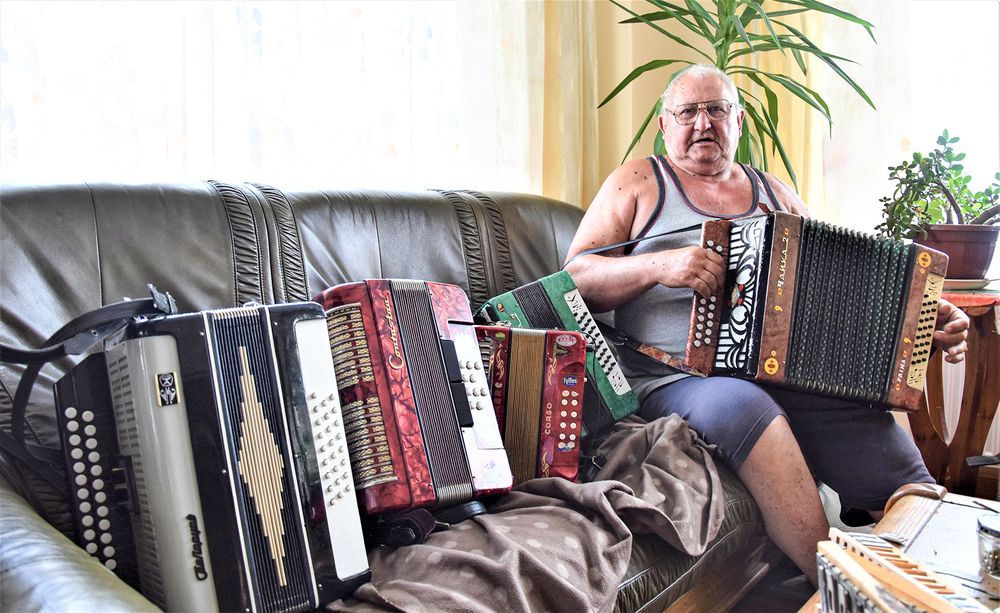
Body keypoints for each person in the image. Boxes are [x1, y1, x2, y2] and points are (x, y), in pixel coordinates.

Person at [563, 63, 970, 585]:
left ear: (738, 121)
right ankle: (837, 586)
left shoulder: (775, 194)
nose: (703, 122)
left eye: (717, 109)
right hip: (668, 375)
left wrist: (920, 323)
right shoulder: (638, 181)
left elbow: (834, 294)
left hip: (779, 370)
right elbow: (575, 277)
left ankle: (937, 574)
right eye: (687, 112)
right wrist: (659, 266)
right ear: (664, 125)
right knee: (744, 404)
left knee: (863, 411)